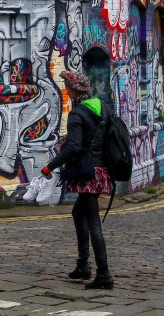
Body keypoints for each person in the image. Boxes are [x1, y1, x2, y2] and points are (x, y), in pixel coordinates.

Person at [40, 70, 114, 290]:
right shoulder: (103, 107)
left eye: (67, 86)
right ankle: (82, 265)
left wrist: (50, 166)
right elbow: (96, 137)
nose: (65, 89)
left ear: (75, 90)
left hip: (88, 172)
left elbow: (75, 146)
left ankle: (104, 274)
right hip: (102, 170)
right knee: (78, 212)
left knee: (92, 222)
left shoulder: (77, 114)